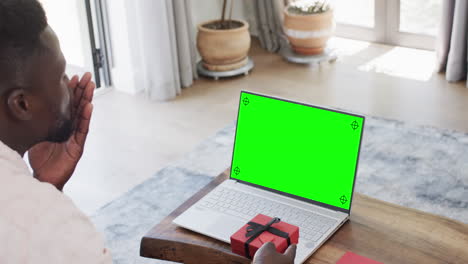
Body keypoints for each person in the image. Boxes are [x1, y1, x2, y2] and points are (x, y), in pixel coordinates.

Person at [0, 0, 296, 263]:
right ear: (22, 104)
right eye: (60, 74)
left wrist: (47, 187)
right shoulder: (52, 230)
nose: (69, 83)